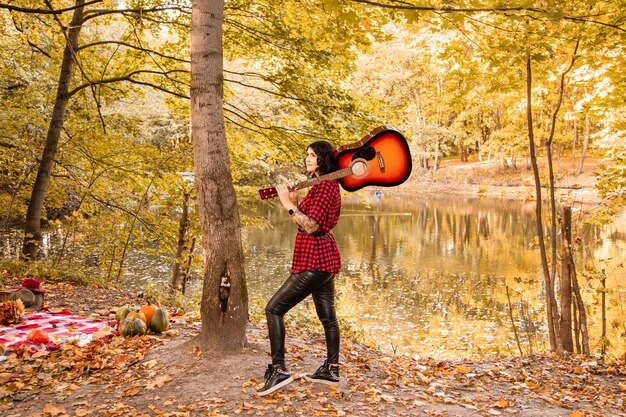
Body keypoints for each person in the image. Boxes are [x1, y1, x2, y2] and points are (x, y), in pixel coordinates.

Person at [257, 140, 342, 396]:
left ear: (323, 160)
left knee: (273, 309)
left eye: (313, 155)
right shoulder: (319, 186)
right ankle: (331, 368)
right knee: (328, 317)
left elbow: (312, 226)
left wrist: (287, 203)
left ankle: (279, 370)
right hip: (322, 260)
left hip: (315, 261)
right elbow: (305, 218)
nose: (308, 159)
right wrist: (295, 200)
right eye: (307, 155)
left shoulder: (326, 186)